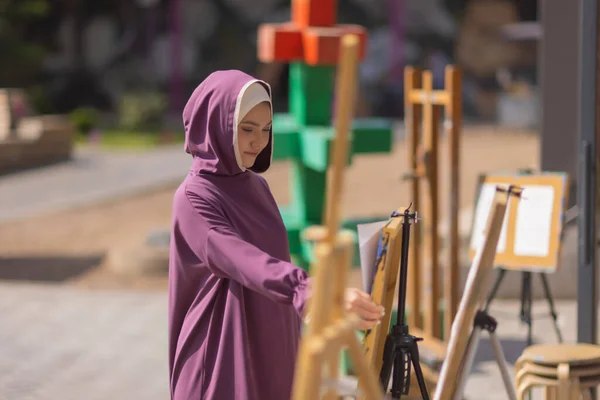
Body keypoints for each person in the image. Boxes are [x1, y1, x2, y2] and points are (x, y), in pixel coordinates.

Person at [168, 70, 384, 400]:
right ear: (215, 126)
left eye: (266, 130)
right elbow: (244, 260)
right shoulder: (194, 198)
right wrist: (313, 291)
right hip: (221, 348)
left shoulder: (257, 186)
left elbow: (272, 260)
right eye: (247, 129)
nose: (259, 141)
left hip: (271, 342)